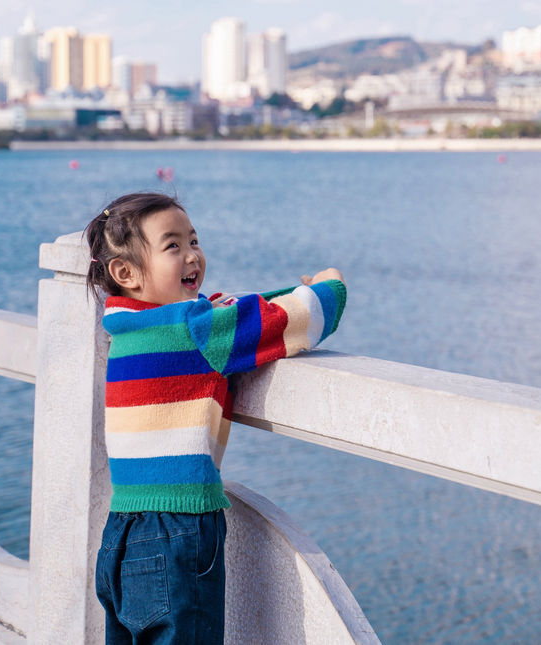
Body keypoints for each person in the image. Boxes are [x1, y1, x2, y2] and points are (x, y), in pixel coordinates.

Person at [86, 191, 347, 645]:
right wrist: (329, 287)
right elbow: (288, 322)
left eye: (194, 241)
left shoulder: (128, 328)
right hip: (178, 531)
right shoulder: (196, 330)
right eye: (173, 246)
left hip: (122, 532)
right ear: (125, 272)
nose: (193, 255)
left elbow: (228, 311)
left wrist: (285, 290)